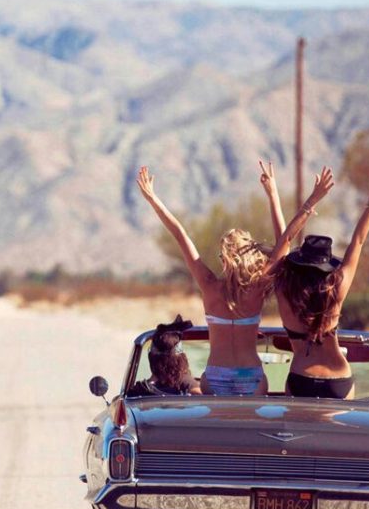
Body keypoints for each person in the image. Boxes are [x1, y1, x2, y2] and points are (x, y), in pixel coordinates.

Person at [136, 162, 334, 396]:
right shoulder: (258, 287)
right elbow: (286, 240)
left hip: (215, 378)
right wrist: (303, 198)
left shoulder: (208, 285)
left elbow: (180, 234)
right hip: (252, 378)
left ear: (224, 259)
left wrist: (153, 199)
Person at [274, 165, 369, 400]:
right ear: (327, 265)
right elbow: (358, 241)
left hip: (302, 374)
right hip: (339, 377)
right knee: (340, 437)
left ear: (298, 261)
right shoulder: (337, 287)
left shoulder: (284, 291)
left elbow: (284, 240)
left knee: (295, 436)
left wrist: (312, 201)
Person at [128, 316, 201, 396]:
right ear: (181, 360)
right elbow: (199, 396)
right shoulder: (188, 385)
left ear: (151, 359)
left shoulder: (138, 391)